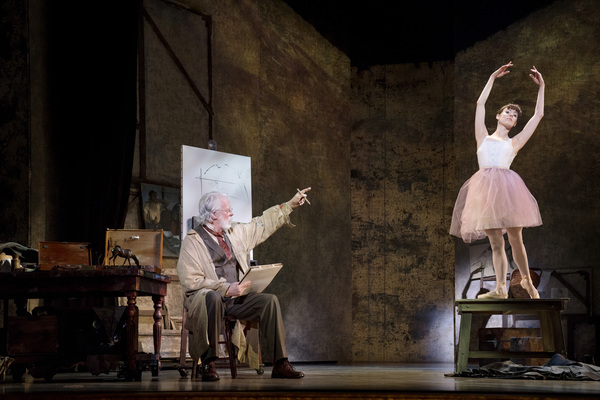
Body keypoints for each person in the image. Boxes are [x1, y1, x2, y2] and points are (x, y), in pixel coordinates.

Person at [177, 187, 311, 381]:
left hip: (235, 299)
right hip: (209, 300)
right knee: (213, 297)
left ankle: (280, 363)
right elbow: (191, 281)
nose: (232, 213)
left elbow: (261, 224)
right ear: (213, 214)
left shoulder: (233, 234)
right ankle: (208, 363)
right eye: (227, 210)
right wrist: (224, 288)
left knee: (269, 301)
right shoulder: (192, 242)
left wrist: (289, 205)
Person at [450, 62, 545, 299]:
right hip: (484, 191)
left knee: (515, 237)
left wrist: (542, 87)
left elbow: (538, 115)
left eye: (514, 116)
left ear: (515, 124)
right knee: (495, 242)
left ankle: (526, 282)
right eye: (508, 112)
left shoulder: (514, 142)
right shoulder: (482, 137)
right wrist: (492, 77)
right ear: (498, 116)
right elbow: (480, 104)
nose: (512, 116)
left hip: (508, 190)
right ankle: (501, 288)